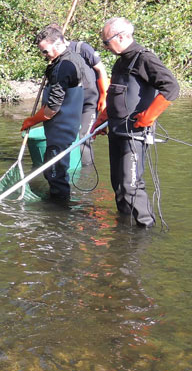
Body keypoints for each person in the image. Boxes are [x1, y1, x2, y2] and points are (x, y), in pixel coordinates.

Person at [93, 17, 180, 227]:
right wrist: (102, 119)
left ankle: (144, 230)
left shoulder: (144, 59)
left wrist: (149, 116)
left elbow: (171, 88)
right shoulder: (121, 60)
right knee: (119, 185)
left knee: (131, 185)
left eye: (106, 42)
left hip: (134, 135)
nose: (105, 46)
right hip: (116, 131)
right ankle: (125, 228)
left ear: (121, 36)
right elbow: (116, 92)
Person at [19, 25, 87, 201]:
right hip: (66, 126)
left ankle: (59, 211)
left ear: (57, 44)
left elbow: (52, 109)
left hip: (61, 128)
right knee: (53, 169)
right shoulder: (71, 58)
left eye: (45, 51)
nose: (44, 55)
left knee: (55, 172)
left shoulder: (65, 66)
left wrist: (31, 121)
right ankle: (56, 202)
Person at [64, 30, 110, 166]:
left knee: (85, 137)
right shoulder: (54, 56)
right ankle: (69, 166)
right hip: (72, 101)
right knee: (67, 134)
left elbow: (101, 69)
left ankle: (86, 173)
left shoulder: (82, 48)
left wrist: (104, 95)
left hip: (90, 102)